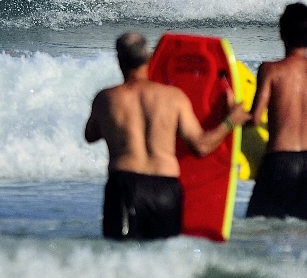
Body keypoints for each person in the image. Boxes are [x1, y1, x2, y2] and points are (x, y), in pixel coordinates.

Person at [84, 32, 251, 240]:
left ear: (119, 60)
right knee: (164, 255)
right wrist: (230, 121)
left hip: (123, 187)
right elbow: (200, 146)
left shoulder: (106, 98)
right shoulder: (174, 98)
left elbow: (90, 135)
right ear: (149, 57)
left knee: (118, 253)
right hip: (164, 189)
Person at [246, 3, 307, 222]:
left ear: (281, 34)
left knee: (259, 224)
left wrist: (230, 114)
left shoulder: (271, 70)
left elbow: (255, 119)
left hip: (280, 160)